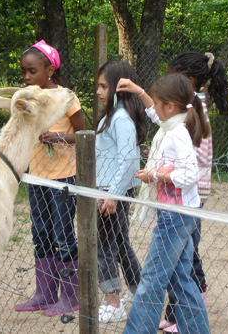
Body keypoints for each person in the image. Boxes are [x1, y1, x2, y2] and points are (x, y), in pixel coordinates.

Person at [117, 73, 210, 334]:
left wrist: (155, 175)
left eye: (157, 104)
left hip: (175, 216)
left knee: (152, 279)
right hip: (180, 213)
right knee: (181, 279)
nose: (153, 110)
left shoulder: (177, 133)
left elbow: (191, 175)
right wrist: (139, 90)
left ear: (170, 107)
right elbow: (155, 115)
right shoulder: (174, 123)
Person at [14, 40, 86, 317]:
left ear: (50, 70)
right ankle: (44, 294)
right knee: (40, 234)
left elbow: (83, 136)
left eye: (32, 71)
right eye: (24, 71)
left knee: (64, 236)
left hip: (63, 179)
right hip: (38, 177)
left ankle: (71, 297)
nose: (26, 77)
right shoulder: (30, 97)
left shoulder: (67, 98)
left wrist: (58, 137)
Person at [159, 51, 228, 332]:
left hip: (188, 195)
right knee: (185, 250)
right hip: (183, 194)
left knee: (183, 252)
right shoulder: (187, 107)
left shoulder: (191, 112)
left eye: (171, 77)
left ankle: (184, 311)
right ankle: (185, 303)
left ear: (188, 80)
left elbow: (188, 158)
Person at [95, 60, 147, 323]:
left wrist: (112, 194)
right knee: (119, 243)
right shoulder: (111, 116)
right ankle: (139, 292)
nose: (98, 91)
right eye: (99, 86)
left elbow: (127, 159)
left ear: (118, 88)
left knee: (104, 244)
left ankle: (112, 301)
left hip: (110, 193)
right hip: (108, 190)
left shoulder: (120, 118)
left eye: (104, 86)